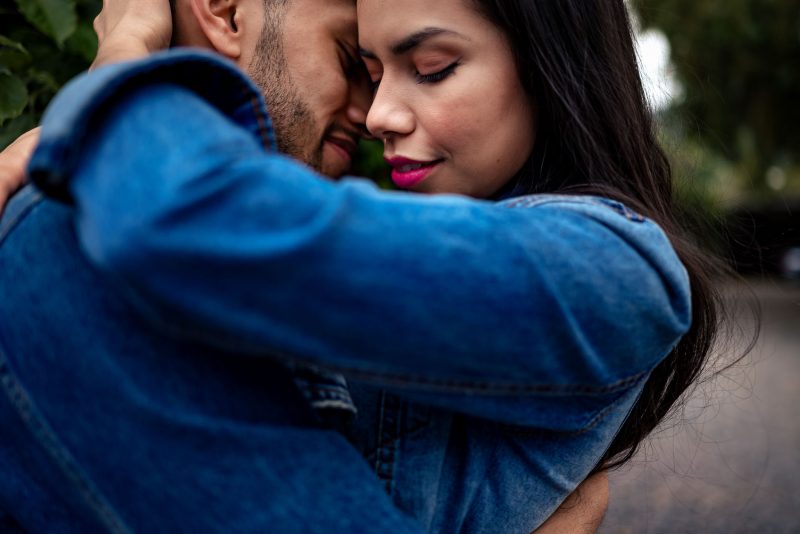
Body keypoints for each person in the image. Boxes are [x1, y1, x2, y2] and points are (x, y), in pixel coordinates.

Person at [10, 0, 723, 531]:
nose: (379, 113)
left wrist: (124, 59)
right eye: (370, 70)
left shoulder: (620, 268)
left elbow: (174, 220)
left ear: (548, 61)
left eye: (432, 68)